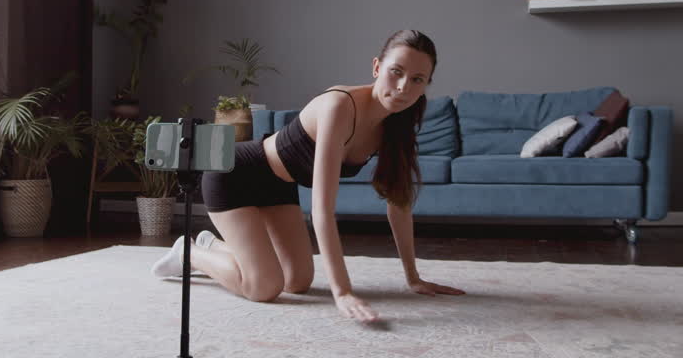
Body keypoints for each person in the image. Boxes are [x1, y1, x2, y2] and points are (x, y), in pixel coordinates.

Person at [150, 29, 465, 322]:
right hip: (235, 175)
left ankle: (215, 246)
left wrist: (412, 277)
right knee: (264, 287)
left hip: (278, 187)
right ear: (377, 67)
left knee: (297, 281)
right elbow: (322, 210)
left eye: (417, 79)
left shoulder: (396, 125)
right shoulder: (339, 106)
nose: (402, 88)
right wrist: (342, 291)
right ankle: (190, 253)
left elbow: (398, 203)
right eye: (396, 72)